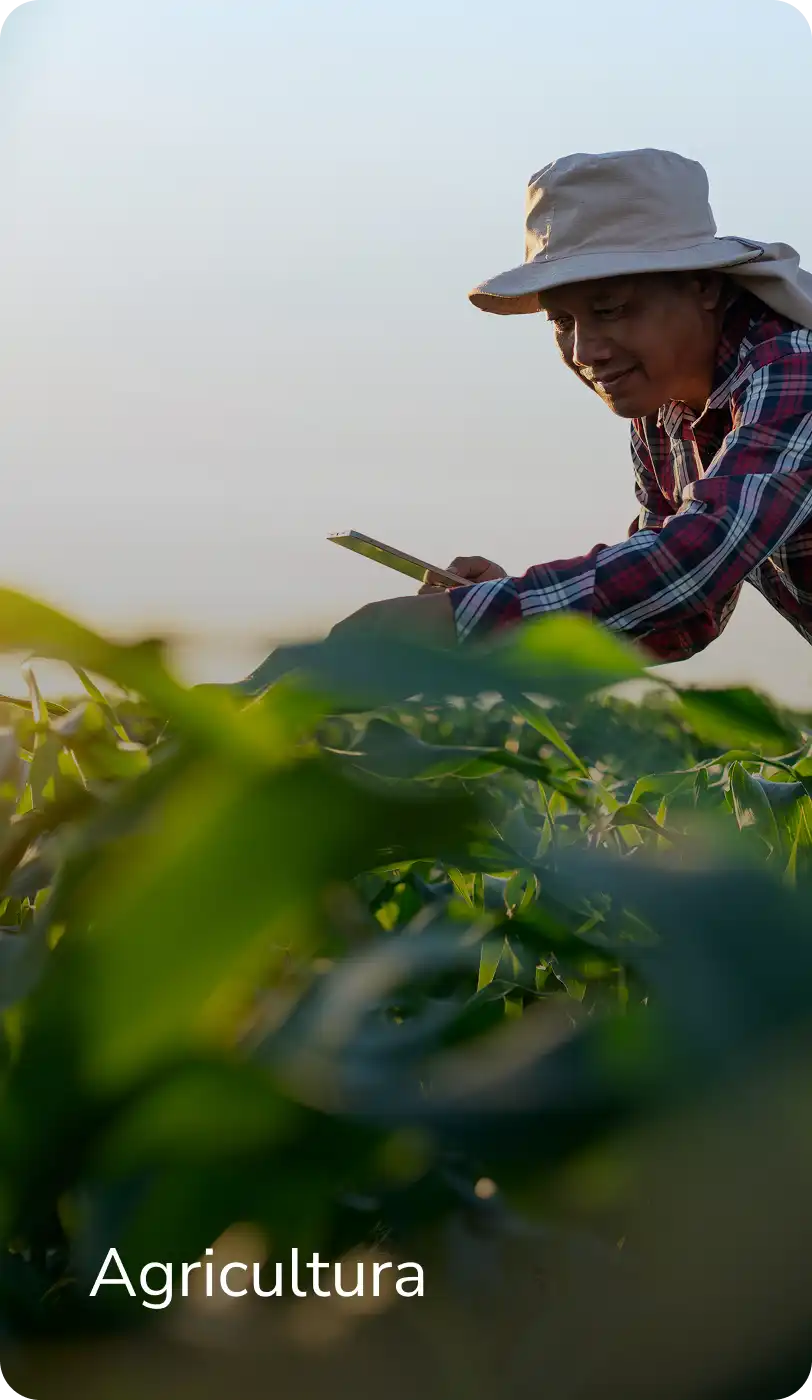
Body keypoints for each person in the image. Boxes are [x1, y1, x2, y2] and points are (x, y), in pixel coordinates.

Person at [330, 147, 812, 663]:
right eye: (561, 322)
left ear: (703, 286)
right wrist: (506, 621)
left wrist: (461, 622)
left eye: (611, 309)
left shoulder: (793, 372)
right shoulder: (662, 402)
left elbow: (693, 564)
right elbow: (683, 614)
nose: (584, 351)